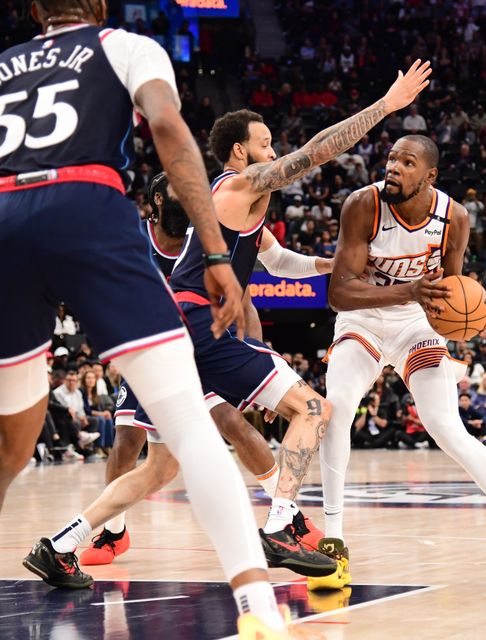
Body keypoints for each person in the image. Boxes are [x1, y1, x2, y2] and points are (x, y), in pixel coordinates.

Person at [43, 61, 434, 598]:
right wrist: (387, 106)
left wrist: (337, 267)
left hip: (173, 326)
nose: (274, 152)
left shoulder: (238, 206)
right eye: (266, 143)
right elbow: (317, 152)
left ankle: (62, 544)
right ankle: (282, 522)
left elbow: (279, 263)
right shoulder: (241, 183)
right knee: (312, 409)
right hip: (200, 319)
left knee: (159, 468)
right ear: (238, 152)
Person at [0, 2, 287, 636]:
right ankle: (260, 611)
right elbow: (167, 126)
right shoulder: (123, 45)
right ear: (99, 7)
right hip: (83, 204)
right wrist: (215, 250)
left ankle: (80, 536)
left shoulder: (5, 64)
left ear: (33, 11)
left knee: (11, 444)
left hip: (4, 212)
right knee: (190, 426)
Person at [324, 134, 486, 595]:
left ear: (429, 175)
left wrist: (466, 321)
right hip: (363, 317)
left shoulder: (454, 218)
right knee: (338, 406)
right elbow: (339, 291)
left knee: (446, 426)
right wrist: (408, 292)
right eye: (391, 159)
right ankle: (333, 546)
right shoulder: (362, 205)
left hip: (415, 324)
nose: (394, 167)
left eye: (406, 162)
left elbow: (449, 291)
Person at [79, 174, 324, 569]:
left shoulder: (208, 236)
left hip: (204, 345)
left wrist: (260, 357)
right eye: (182, 191)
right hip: (153, 347)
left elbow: (245, 304)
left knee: (234, 423)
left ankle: (289, 515)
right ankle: (114, 532)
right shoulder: (136, 239)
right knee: (126, 439)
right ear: (158, 198)